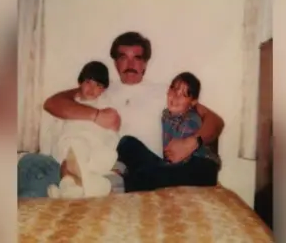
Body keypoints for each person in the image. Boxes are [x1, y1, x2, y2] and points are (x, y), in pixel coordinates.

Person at [18, 31, 224, 196]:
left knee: (127, 151)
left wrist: (191, 143)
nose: (131, 64)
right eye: (123, 57)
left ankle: (81, 189)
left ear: (145, 63)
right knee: (30, 164)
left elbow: (215, 121)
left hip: (130, 169)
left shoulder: (167, 93)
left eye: (137, 58)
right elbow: (53, 103)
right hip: (89, 160)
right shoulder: (100, 90)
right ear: (115, 62)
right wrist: (96, 115)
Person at [117, 72, 222, 192]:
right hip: (174, 166)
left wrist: (160, 167)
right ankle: (143, 176)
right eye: (174, 90)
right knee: (127, 143)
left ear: (192, 103)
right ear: (168, 90)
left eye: (183, 95)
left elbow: (178, 157)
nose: (176, 97)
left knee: (147, 176)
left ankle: (137, 180)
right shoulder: (166, 114)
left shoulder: (191, 120)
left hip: (201, 168)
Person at [47, 61, 120, 198]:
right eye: (88, 82)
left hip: (94, 148)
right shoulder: (70, 104)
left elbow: (113, 128)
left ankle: (67, 189)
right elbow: (58, 129)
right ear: (80, 82)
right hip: (70, 146)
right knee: (72, 149)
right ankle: (86, 187)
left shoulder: (106, 103)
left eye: (98, 85)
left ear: (104, 89)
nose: (92, 89)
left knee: (75, 150)